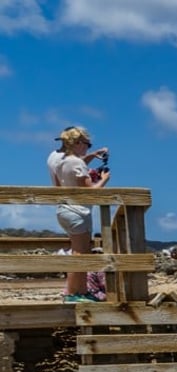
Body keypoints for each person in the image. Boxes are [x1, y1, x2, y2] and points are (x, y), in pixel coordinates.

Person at [53, 126, 110, 302]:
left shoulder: (62, 161)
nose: (88, 147)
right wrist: (104, 179)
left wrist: (92, 156)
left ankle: (78, 292)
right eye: (87, 144)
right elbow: (90, 191)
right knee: (80, 253)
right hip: (78, 211)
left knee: (78, 252)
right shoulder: (77, 163)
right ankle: (74, 294)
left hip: (64, 209)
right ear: (78, 143)